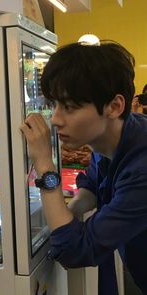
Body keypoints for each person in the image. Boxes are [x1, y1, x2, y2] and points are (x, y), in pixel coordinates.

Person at [21, 41, 147, 295]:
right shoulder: (116, 134)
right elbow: (92, 184)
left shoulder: (142, 167)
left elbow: (76, 251)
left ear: (114, 106)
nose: (55, 119)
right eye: (54, 104)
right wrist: (69, 211)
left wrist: (45, 165)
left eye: (69, 107)